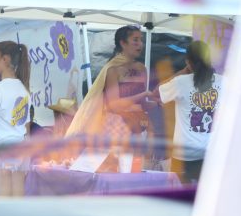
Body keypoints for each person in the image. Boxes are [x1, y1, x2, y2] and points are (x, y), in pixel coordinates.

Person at [65, 25, 153, 172]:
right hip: (116, 127)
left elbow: (141, 104)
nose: (140, 44)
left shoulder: (141, 68)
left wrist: (154, 102)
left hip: (137, 126)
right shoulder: (112, 69)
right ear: (123, 43)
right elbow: (114, 105)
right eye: (135, 40)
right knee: (115, 170)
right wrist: (142, 96)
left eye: (141, 40)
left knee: (134, 171)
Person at [156, 40, 224, 183]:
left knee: (179, 200)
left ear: (188, 61)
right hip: (211, 152)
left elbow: (158, 91)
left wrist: (184, 71)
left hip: (184, 154)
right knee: (206, 200)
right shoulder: (223, 82)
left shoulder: (181, 82)